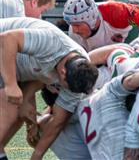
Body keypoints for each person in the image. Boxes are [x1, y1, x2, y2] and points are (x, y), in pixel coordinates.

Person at [0, 17, 99, 160]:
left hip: (13, 69)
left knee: (17, 116)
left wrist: (37, 155)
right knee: (9, 109)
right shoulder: (52, 43)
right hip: (3, 50)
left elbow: (58, 121)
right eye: (66, 88)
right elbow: (7, 39)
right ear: (63, 73)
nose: (68, 92)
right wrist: (11, 84)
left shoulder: (78, 75)